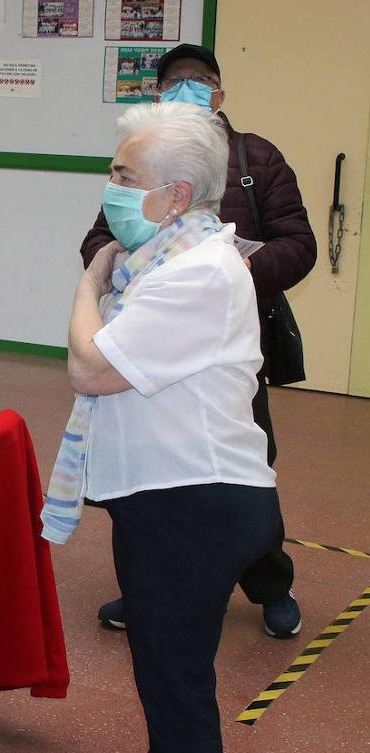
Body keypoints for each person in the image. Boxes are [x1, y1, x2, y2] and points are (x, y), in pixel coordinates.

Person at [43, 102, 279, 753]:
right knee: (166, 674)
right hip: (169, 497)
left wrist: (88, 280)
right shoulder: (164, 260)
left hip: (195, 502)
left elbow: (91, 368)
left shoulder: (196, 271)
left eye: (124, 174)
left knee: (175, 685)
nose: (111, 188)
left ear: (176, 195)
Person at [80, 43, 315, 638]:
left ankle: (270, 588)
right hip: (151, 334)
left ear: (219, 93)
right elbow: (102, 240)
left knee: (241, 463)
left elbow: (298, 243)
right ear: (158, 94)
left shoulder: (253, 157)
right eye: (174, 80)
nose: (187, 88)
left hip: (225, 345)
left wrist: (225, 279)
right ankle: (149, 590)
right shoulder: (143, 161)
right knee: (145, 473)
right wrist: (140, 270)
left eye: (199, 79)